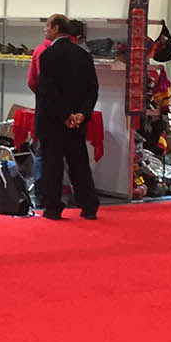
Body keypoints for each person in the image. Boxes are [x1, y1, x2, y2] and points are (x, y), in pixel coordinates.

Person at [35, 12, 99, 221]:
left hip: (53, 120)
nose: (45, 30)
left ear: (56, 28)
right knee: (79, 164)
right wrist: (82, 114)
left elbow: (48, 91)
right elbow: (92, 89)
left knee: (52, 166)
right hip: (77, 121)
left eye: (47, 26)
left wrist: (64, 115)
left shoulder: (48, 56)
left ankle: (53, 208)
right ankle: (89, 206)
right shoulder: (84, 56)